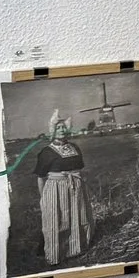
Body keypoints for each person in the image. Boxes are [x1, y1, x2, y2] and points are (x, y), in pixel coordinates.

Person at [31, 111, 91, 267]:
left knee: (77, 216)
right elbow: (40, 177)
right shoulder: (46, 152)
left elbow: (79, 169)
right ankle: (56, 254)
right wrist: (43, 198)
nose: (62, 130)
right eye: (58, 128)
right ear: (52, 130)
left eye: (64, 127)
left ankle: (75, 249)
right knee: (57, 220)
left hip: (75, 187)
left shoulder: (75, 147)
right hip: (55, 189)